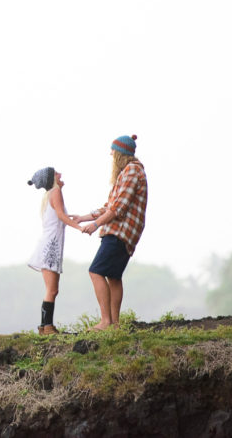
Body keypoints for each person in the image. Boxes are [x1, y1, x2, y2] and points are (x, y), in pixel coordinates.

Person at [80, 135, 148, 330]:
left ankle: (106, 321)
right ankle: (114, 324)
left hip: (119, 232)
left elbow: (118, 208)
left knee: (95, 271)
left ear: (120, 154)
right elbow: (109, 206)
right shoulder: (129, 172)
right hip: (125, 233)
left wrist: (95, 225)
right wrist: (84, 217)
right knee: (114, 276)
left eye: (113, 151)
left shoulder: (132, 171)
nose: (111, 154)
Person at [27, 166, 85, 335]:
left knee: (52, 290)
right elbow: (61, 215)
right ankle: (46, 327)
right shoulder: (55, 192)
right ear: (52, 179)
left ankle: (45, 326)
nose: (60, 174)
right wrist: (79, 227)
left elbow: (59, 216)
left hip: (50, 246)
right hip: (51, 247)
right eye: (56, 173)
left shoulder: (50, 195)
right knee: (51, 290)